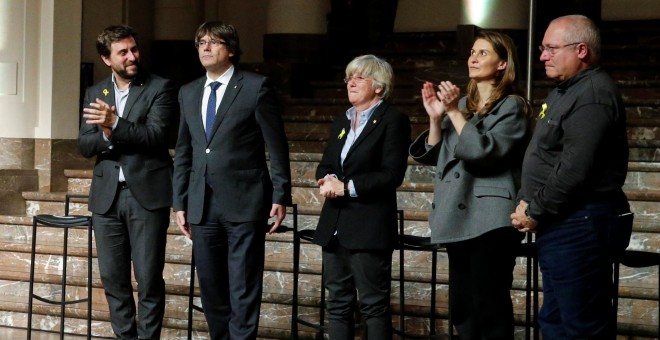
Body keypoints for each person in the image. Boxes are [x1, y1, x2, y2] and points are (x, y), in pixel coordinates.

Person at [511, 15, 632, 339]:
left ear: (581, 50)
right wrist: (526, 200)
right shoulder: (565, 91)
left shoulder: (592, 94)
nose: (542, 56)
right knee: (556, 319)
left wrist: (535, 210)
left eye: (551, 48)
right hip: (562, 222)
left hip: (580, 224)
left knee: (580, 327)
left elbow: (576, 167)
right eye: (542, 48)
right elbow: (547, 156)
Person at [172, 21, 292, 340]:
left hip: (245, 200)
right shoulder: (188, 91)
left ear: (232, 49)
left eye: (214, 42)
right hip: (201, 204)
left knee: (243, 286)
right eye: (201, 42)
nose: (206, 48)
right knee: (211, 288)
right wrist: (179, 201)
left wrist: (281, 195)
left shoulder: (255, 87)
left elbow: (276, 146)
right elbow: (185, 150)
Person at [410, 31, 532, 339]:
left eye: (483, 53)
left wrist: (453, 112)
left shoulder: (512, 106)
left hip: (490, 218)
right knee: (463, 306)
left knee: (488, 306)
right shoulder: (462, 103)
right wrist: (437, 119)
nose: (473, 58)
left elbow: (483, 152)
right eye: (472, 52)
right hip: (456, 213)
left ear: (503, 63)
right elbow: (436, 156)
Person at [78, 25, 176, 339]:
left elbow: (157, 136)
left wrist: (115, 125)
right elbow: (84, 144)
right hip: (107, 197)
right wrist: (109, 136)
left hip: (146, 196)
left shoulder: (159, 87)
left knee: (148, 279)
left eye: (134, 49)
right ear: (107, 59)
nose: (132, 56)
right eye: (123, 52)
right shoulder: (96, 93)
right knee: (112, 278)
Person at [313, 54, 411, 339]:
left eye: (359, 77)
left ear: (378, 86)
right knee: (338, 304)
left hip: (369, 228)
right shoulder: (342, 119)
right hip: (335, 226)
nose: (351, 83)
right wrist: (327, 178)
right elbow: (326, 163)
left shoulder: (393, 120)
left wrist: (348, 187)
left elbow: (392, 174)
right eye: (348, 77)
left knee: (372, 306)